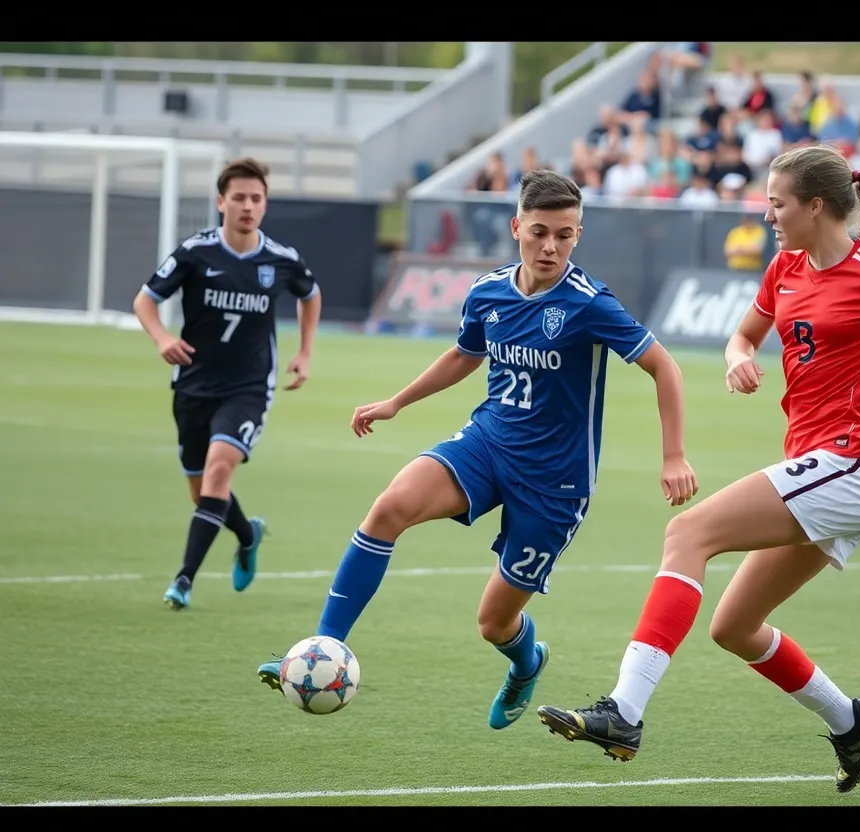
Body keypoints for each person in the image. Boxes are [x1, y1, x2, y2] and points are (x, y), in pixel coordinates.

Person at [536, 145, 860, 792]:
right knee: (733, 627)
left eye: (778, 203)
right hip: (826, 467)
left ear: (815, 205)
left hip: (857, 462)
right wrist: (737, 357)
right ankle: (850, 719)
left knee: (688, 534)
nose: (769, 215)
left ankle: (624, 713)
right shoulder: (785, 268)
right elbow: (744, 334)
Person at [255, 169, 698, 731]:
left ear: (578, 235)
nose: (550, 246)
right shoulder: (488, 291)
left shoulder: (589, 304)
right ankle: (321, 650)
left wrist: (674, 454)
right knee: (389, 508)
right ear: (516, 226)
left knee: (493, 622)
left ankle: (526, 662)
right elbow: (466, 354)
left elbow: (664, 367)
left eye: (564, 235)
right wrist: (397, 402)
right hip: (487, 445)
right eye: (539, 232)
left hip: (554, 486)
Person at [132, 157, 322, 610]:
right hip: (194, 386)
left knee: (219, 469)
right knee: (203, 492)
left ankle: (183, 580)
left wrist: (305, 352)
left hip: (250, 387)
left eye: (256, 198)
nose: (248, 206)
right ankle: (246, 532)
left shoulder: (281, 259)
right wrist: (162, 339)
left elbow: (310, 296)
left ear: (265, 204)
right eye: (238, 197)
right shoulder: (195, 253)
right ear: (221, 202)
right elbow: (144, 301)